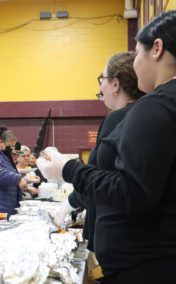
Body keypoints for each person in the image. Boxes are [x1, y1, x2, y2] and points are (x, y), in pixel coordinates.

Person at [38, 10, 176, 283]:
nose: (135, 63)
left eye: (137, 53)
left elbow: (132, 192)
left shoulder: (156, 107)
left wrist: (69, 169)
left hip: (148, 267)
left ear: (157, 48)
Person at [54, 51, 145, 254]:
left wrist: (70, 192)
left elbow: (97, 178)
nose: (100, 86)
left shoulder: (118, 118)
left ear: (116, 84)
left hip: (118, 238)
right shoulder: (144, 114)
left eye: (102, 79)